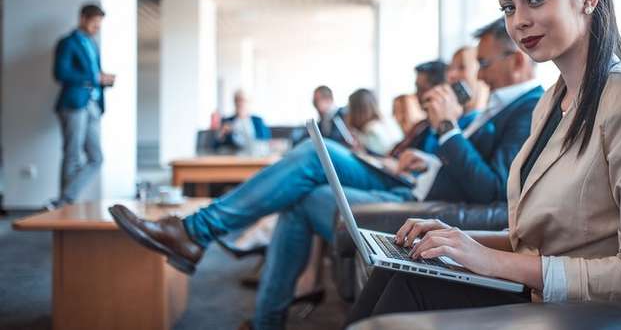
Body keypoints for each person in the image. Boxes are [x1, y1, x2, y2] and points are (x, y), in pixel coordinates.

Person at [346, 0, 621, 324]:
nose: (518, 20)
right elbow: (538, 242)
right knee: (401, 270)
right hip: (542, 294)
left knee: (414, 287)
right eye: (508, 7)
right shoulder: (550, 105)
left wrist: (486, 260)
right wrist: (454, 240)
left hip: (603, 312)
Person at [108, 22, 542, 329]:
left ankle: (199, 237)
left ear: (518, 59)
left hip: (417, 195)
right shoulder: (495, 106)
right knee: (315, 156)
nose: (478, 74)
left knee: (312, 166)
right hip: (410, 180)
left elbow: (495, 187)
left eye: (483, 64)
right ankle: (219, 262)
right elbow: (457, 166)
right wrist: (421, 157)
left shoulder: (528, 108)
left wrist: (446, 128)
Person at [49, 4, 115, 209]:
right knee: (73, 154)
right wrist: (94, 77)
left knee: (96, 158)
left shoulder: (92, 44)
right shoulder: (68, 43)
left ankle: (64, 200)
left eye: (99, 24)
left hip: (93, 104)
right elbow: (60, 73)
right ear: (83, 18)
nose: (97, 28)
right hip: (74, 103)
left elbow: (94, 73)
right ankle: (65, 204)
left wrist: (103, 80)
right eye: (95, 23)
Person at [346, 88, 402, 156]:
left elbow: (374, 157)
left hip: (383, 163)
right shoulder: (388, 121)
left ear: (356, 110)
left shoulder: (370, 130)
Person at [214, 90, 271, 155]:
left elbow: (265, 140)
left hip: (255, 157)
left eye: (244, 100)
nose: (241, 104)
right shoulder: (227, 121)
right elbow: (216, 146)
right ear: (234, 103)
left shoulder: (258, 121)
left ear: (249, 102)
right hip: (233, 158)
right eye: (238, 100)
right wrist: (222, 134)